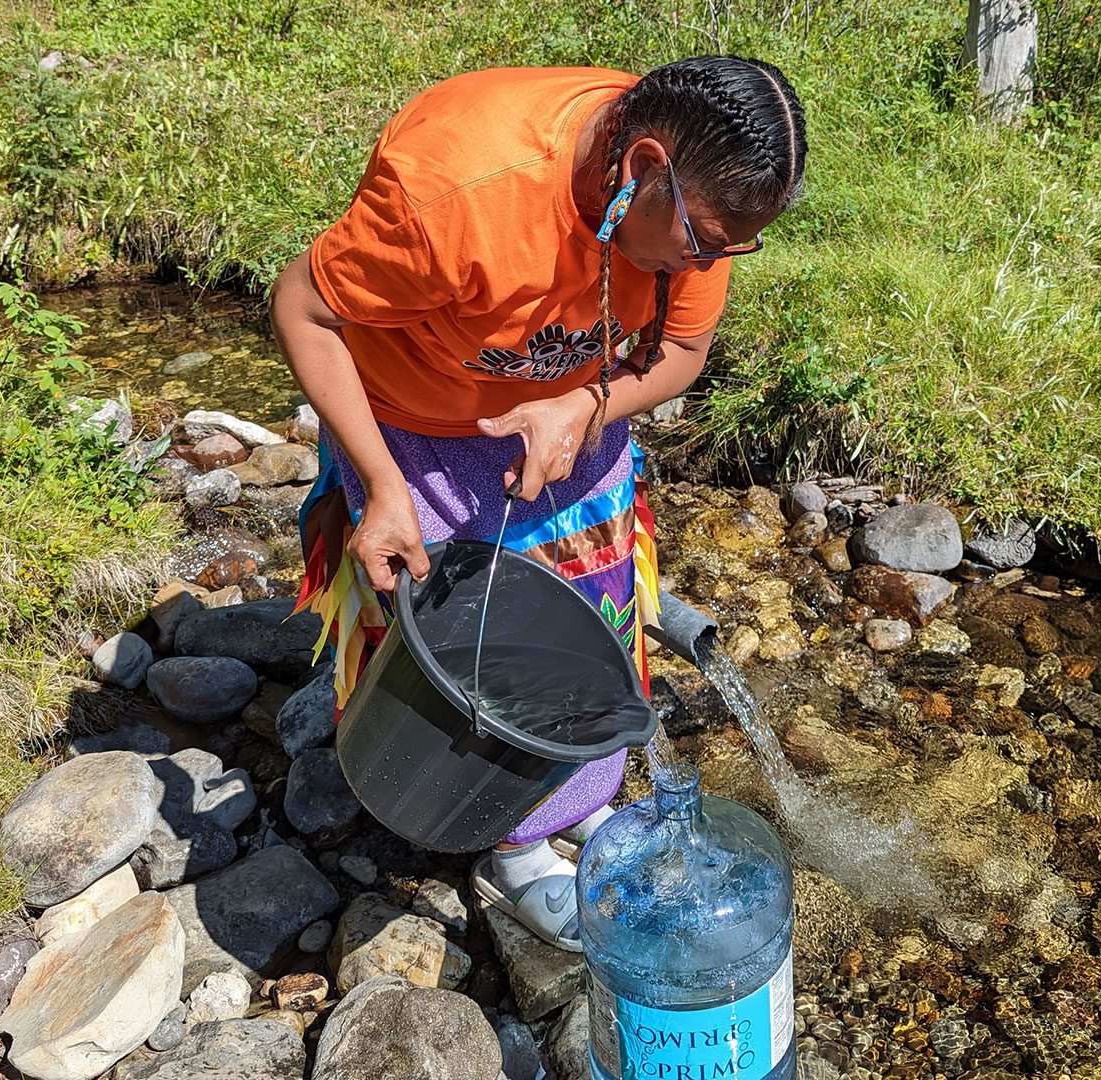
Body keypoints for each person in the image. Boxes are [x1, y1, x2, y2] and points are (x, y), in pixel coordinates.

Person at [271, 56, 807, 951]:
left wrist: (585, 404)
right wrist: (385, 487)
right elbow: (303, 308)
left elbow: (681, 352)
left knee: (583, 621)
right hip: (414, 427)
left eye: (728, 250)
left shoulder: (708, 194)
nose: (708, 262)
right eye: (702, 243)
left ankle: (576, 805)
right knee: (452, 643)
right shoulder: (456, 192)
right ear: (639, 169)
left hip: (573, 414)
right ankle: (508, 845)